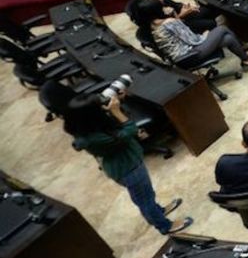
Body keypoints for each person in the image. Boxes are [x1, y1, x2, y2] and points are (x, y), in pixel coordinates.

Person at [66, 93, 192, 234]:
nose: (103, 107)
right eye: (99, 107)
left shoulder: (86, 127)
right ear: (92, 115)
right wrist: (116, 111)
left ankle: (158, 211)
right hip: (128, 169)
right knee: (145, 200)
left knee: (146, 194)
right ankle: (164, 226)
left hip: (128, 163)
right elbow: (130, 130)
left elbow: (119, 130)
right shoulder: (93, 138)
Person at [136, 0, 248, 71]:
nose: (164, 7)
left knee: (228, 39)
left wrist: (174, 15)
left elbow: (181, 34)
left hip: (181, 57)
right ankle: (245, 52)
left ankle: (247, 60)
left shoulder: (152, 24)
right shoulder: (169, 22)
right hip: (189, 56)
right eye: (161, 7)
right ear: (157, 10)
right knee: (222, 28)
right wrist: (206, 35)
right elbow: (193, 40)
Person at [136, 0, 219, 34]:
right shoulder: (149, 14)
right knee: (211, 23)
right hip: (178, 29)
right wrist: (182, 14)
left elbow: (176, 5)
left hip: (181, 18)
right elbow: (170, 26)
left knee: (207, 10)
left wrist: (186, 7)